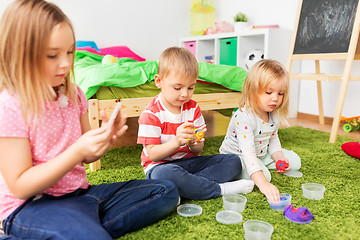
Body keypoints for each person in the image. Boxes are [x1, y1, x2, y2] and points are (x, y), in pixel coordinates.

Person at [0, 1, 179, 239]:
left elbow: (88, 155)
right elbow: (20, 185)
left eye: (69, 52)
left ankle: (77, 228)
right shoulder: (11, 104)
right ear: (21, 54)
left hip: (81, 195)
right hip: (32, 206)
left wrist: (104, 138)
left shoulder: (74, 94)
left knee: (164, 190)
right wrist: (76, 151)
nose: (65, 63)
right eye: (53, 55)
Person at [137, 47, 254, 200]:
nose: (185, 93)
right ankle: (219, 189)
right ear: (159, 81)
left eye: (191, 87)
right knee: (164, 175)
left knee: (233, 162)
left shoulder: (193, 108)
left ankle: (185, 188)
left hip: (190, 164)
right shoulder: (151, 113)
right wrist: (177, 142)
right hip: (161, 166)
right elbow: (152, 154)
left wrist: (194, 142)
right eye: (177, 88)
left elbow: (198, 148)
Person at [219, 59, 301, 202]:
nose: (275, 98)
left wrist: (279, 158)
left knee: (295, 162)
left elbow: (273, 138)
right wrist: (263, 184)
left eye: (280, 94)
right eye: (269, 92)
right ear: (252, 91)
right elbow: (248, 154)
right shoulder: (244, 117)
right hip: (237, 157)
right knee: (265, 177)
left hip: (260, 153)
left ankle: (263, 167)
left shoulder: (273, 113)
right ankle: (246, 175)